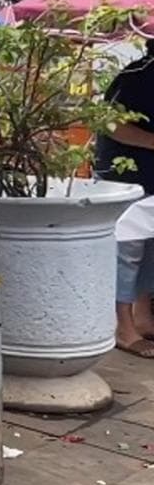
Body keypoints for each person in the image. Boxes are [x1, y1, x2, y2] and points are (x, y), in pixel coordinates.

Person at [95, 39, 154, 357]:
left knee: (150, 251)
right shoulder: (135, 76)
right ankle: (123, 327)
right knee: (127, 252)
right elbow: (111, 124)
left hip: (151, 179)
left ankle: (143, 319)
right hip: (126, 179)